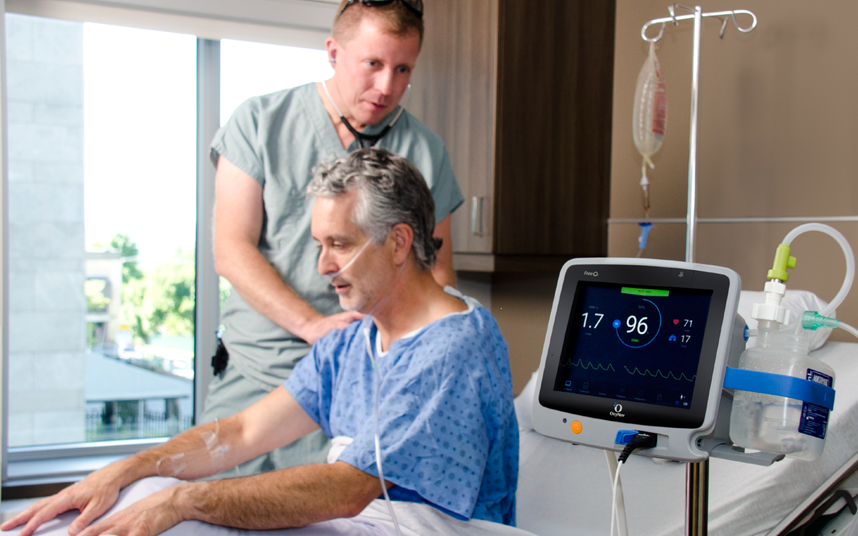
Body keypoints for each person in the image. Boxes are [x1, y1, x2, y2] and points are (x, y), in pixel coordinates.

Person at [2, 148, 517, 536]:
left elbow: (349, 489)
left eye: (339, 244)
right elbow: (245, 431)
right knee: (144, 490)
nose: (323, 266)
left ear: (399, 242)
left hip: (417, 525)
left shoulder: (453, 349)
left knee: (181, 512)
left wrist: (188, 501)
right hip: (363, 518)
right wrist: (128, 467)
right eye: (320, 244)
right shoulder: (353, 341)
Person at [206, 0, 464, 474]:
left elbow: (436, 274)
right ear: (333, 52)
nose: (386, 86)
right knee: (215, 501)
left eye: (403, 69)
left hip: (359, 380)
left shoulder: (425, 151)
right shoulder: (260, 122)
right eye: (373, 64)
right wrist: (312, 326)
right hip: (257, 370)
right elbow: (231, 250)